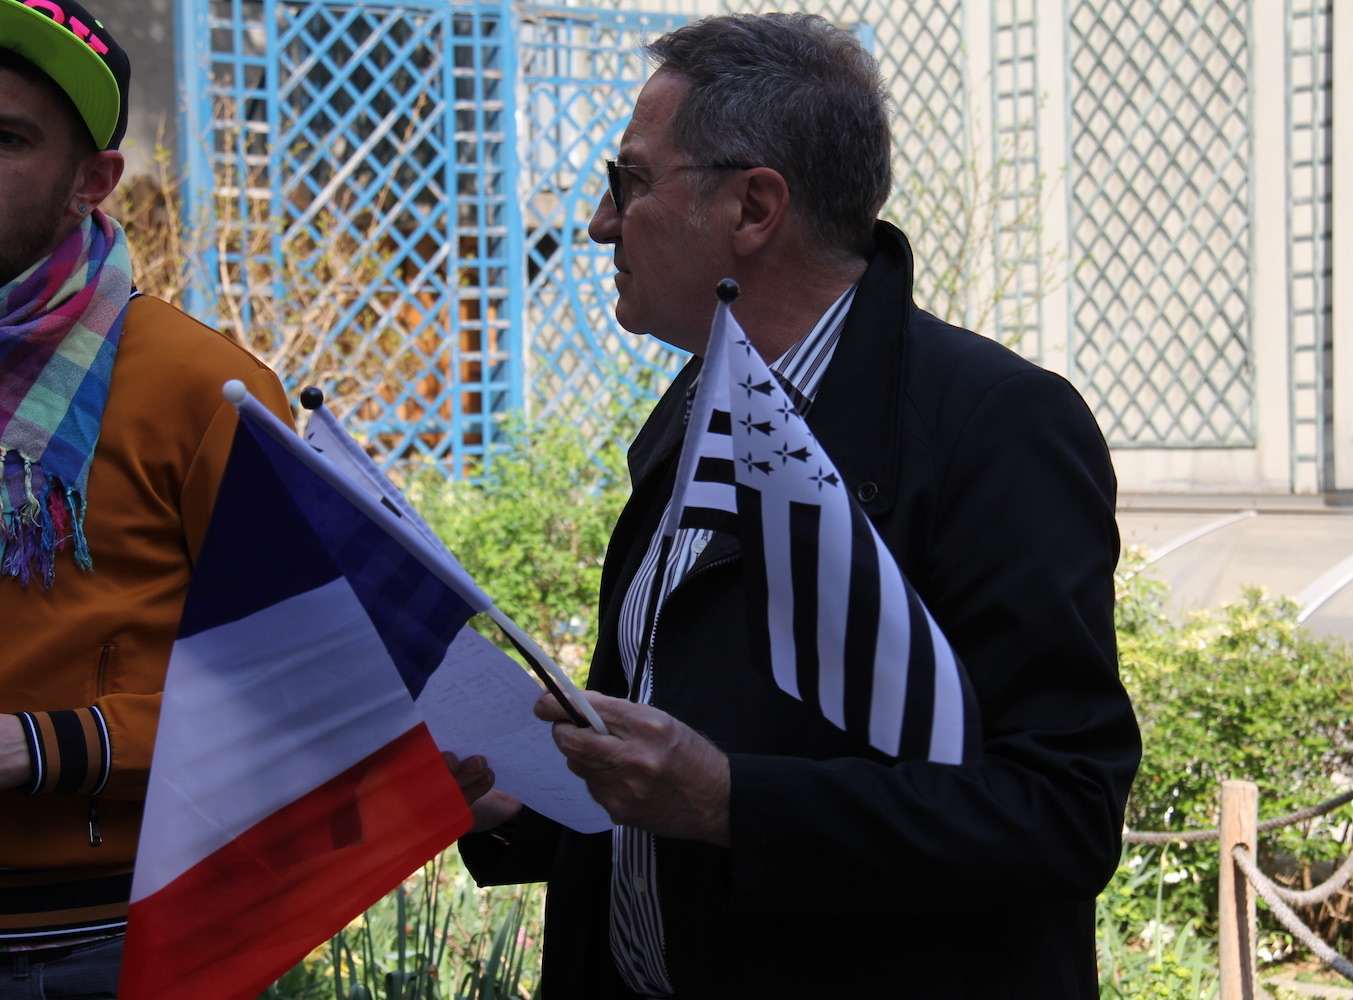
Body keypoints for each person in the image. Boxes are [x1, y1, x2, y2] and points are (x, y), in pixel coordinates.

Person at [455, 12, 1140, 998]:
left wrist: (736, 801)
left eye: (630, 181)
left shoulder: (995, 425)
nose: (603, 223)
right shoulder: (697, 405)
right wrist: (520, 800)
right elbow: (664, 772)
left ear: (754, 208)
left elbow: (1060, 810)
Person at [0, 1, 292, 994]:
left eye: (6, 138)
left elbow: (301, 678)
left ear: (94, 182)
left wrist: (48, 745)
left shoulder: (203, 389)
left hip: (104, 936)